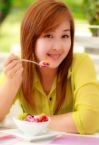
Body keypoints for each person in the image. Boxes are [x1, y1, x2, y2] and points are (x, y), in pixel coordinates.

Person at [0, 0, 99, 134]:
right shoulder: (19, 67)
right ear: (30, 38)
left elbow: (90, 120)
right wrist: (12, 83)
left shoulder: (81, 63)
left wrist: (31, 121)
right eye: (48, 35)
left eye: (65, 35)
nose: (58, 47)